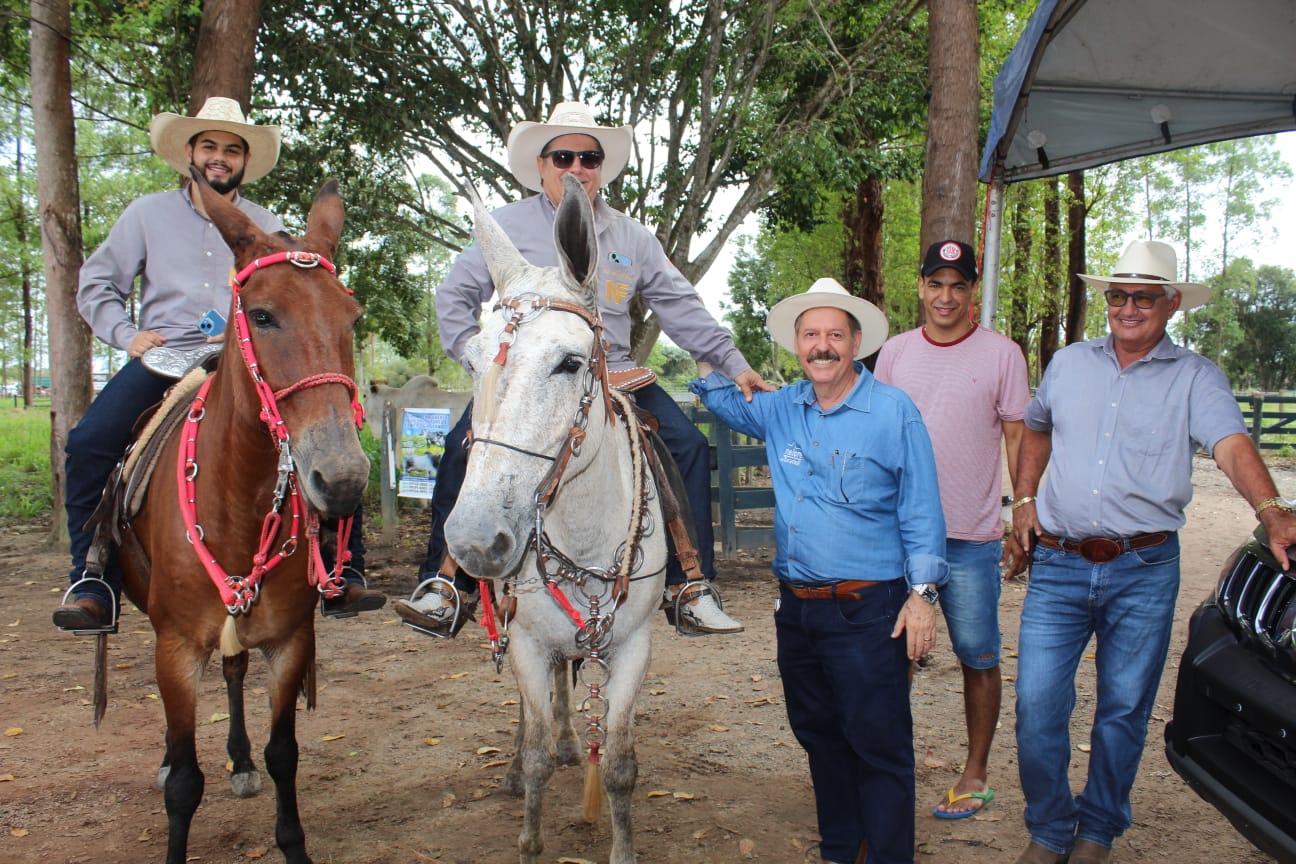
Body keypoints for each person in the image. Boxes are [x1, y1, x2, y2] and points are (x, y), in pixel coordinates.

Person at [395, 101, 772, 637]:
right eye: (563, 156)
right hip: (525, 376)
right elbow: (454, 297)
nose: (577, 167)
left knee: (687, 446)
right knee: (461, 448)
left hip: (613, 371)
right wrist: (483, 364)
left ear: (601, 168)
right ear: (541, 165)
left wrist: (735, 366)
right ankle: (446, 585)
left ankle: (689, 586)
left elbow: (680, 307)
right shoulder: (503, 227)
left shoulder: (632, 237)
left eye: (589, 158)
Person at [1009, 239, 1296, 864]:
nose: (1128, 308)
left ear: (1171, 304)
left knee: (1122, 709)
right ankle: (1050, 829)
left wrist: (1271, 509)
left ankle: (1096, 831)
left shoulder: (1196, 377)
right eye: (1118, 295)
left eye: (1143, 297)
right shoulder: (1068, 364)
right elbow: (1035, 425)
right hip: (1058, 563)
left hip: (1143, 568)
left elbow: (1230, 443)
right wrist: (1023, 499)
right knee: (1036, 705)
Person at [52, 96, 384, 634]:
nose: (220, 157)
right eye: (209, 146)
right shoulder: (147, 214)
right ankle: (93, 579)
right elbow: (97, 284)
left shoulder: (268, 225)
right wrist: (127, 335)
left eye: (232, 149)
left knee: (328, 436)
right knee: (91, 442)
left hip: (248, 361)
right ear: (190, 153)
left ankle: (340, 567)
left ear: (245, 161)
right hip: (168, 358)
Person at [692, 277, 948, 864]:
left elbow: (922, 511)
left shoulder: (893, 412)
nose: (822, 346)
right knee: (820, 735)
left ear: (856, 343)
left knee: (878, 743)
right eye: (811, 335)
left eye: (835, 335)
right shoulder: (782, 407)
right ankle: (841, 848)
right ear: (797, 345)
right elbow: (719, 397)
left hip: (869, 608)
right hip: (798, 610)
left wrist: (922, 596)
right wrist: (714, 347)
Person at [874, 239, 1029, 820]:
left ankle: (975, 772)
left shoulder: (1003, 355)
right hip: (899, 537)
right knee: (893, 656)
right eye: (936, 284)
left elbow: (1017, 435)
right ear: (921, 287)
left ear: (971, 292)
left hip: (971, 535)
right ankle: (888, 771)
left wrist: (1021, 509)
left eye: (958, 285)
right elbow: (877, 434)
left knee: (978, 654)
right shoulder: (894, 353)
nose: (946, 296)